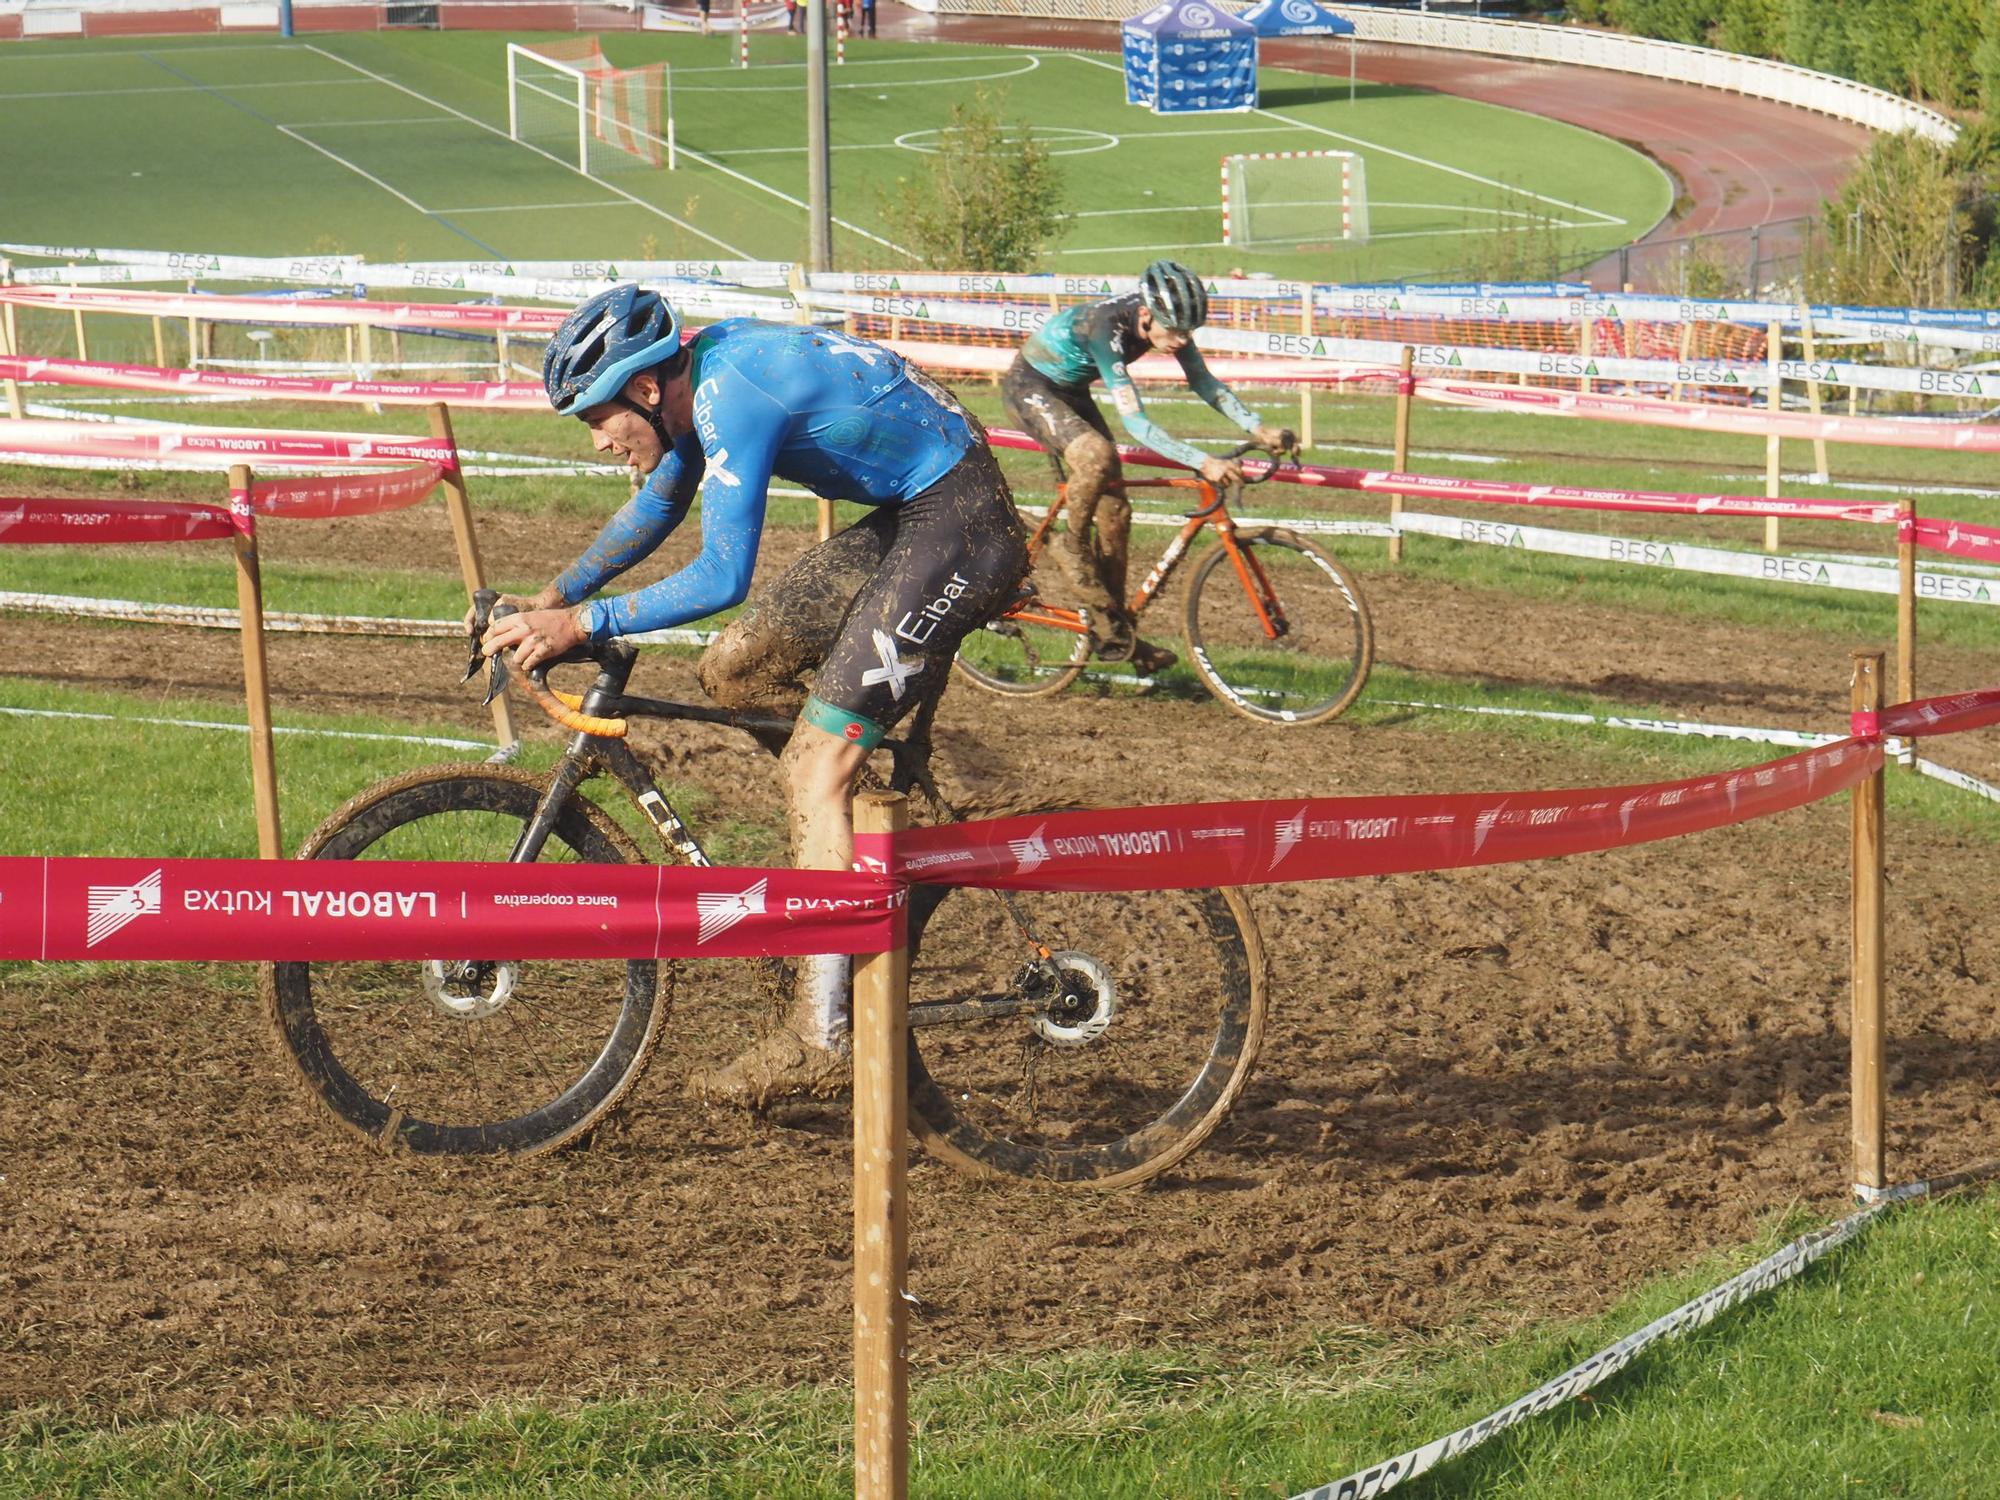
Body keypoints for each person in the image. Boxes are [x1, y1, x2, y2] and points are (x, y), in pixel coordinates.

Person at [479, 285, 1026, 1101]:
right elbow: (662, 498)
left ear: (644, 389)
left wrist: (584, 623)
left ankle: (821, 1036)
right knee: (736, 671)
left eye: (597, 419)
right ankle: (851, 825)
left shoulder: (731, 392)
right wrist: (553, 598)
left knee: (811, 764)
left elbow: (722, 576)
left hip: (960, 523)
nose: (597, 442)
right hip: (915, 512)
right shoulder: (694, 384)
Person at [1000, 259, 1294, 675]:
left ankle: (1114, 632)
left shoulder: (1168, 323)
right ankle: (1072, 545)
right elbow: (1137, 424)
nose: (1180, 341)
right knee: (1096, 456)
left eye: (1188, 332)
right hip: (1029, 387)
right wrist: (1203, 461)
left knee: (1117, 515)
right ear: (1145, 315)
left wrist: (1258, 427)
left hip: (1071, 392)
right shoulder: (1106, 329)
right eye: (1173, 331)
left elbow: (1204, 382)